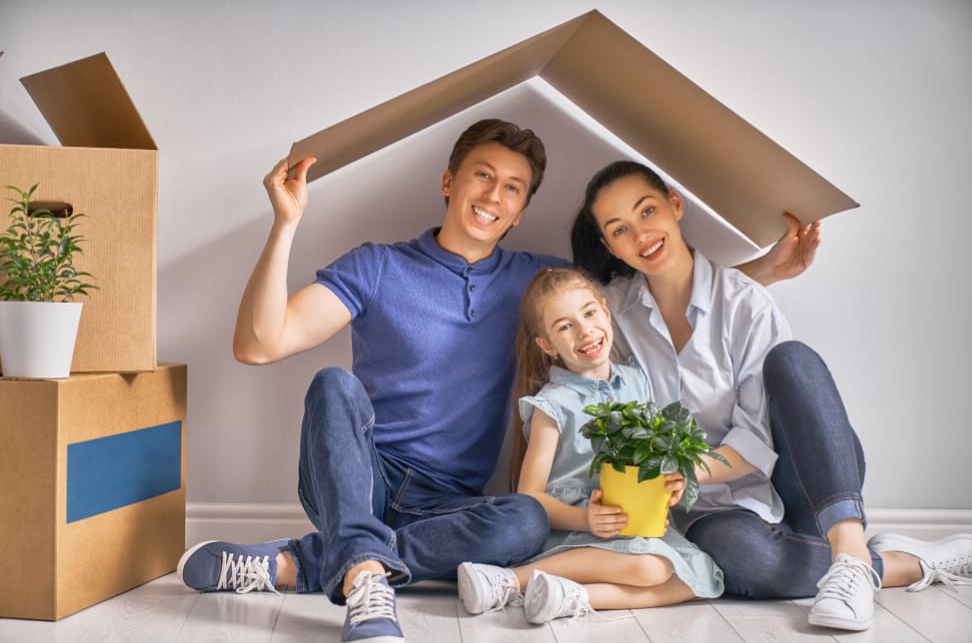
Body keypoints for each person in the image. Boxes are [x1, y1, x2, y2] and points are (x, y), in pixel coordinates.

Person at [175, 119, 815, 643]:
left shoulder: (536, 284)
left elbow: (642, 292)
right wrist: (285, 224)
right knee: (332, 384)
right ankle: (363, 573)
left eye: (513, 188)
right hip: (361, 474)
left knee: (525, 523)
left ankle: (314, 563)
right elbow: (258, 346)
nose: (494, 195)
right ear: (450, 181)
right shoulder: (377, 265)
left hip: (450, 501)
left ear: (520, 212)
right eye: (483, 175)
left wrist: (762, 272)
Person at [570, 159, 972, 632]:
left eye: (647, 211)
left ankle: (848, 549)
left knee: (793, 359)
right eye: (619, 230)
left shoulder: (746, 302)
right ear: (607, 245)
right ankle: (890, 562)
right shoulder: (609, 313)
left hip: (802, 478)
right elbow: (556, 309)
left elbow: (756, 439)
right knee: (739, 559)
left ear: (675, 205)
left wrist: (686, 468)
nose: (640, 235)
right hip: (713, 510)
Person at [456, 267, 723, 624]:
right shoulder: (553, 405)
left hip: (632, 523)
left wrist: (669, 485)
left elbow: (652, 460)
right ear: (547, 345)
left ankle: (569, 596)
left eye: (589, 313)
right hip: (576, 528)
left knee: (698, 578)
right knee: (652, 569)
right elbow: (530, 497)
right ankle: (508, 582)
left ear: (605, 311)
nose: (585, 331)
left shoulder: (636, 381)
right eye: (565, 326)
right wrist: (585, 518)